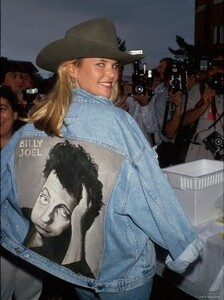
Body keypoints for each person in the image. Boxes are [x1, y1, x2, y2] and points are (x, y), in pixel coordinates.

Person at [1, 18, 203, 300]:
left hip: (71, 267)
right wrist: (182, 245)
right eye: (100, 64)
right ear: (72, 69)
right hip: (122, 270)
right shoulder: (117, 122)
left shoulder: (36, 123)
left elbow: (5, 179)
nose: (112, 73)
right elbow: (151, 193)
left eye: (115, 65)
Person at [22, 139, 103, 278]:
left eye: (63, 212)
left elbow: (78, 281)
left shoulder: (69, 255)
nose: (46, 217)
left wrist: (78, 224)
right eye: (45, 198)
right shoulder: (17, 214)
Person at [0, 85, 43, 300]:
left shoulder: (30, 146)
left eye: (2, 108)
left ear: (15, 113)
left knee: (30, 292)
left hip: (28, 234)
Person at [183, 53, 224, 162]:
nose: (217, 72)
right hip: (199, 151)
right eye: (214, 68)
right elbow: (183, 121)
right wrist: (203, 105)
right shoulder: (198, 89)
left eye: (221, 68)